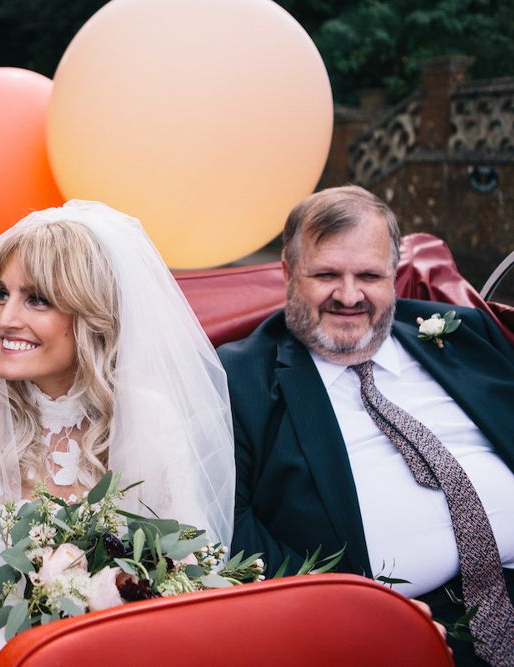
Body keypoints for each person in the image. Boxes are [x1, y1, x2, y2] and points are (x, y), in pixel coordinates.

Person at [0, 200, 235, 666]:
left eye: (37, 299)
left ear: (90, 315)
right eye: (1, 294)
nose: (4, 319)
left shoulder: (151, 420)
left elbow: (188, 583)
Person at [219, 185, 514, 666]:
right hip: (401, 635)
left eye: (370, 275)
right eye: (327, 274)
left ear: (394, 275)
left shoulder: (466, 336)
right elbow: (226, 528)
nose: (350, 296)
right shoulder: (239, 378)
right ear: (289, 273)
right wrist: (355, 614)